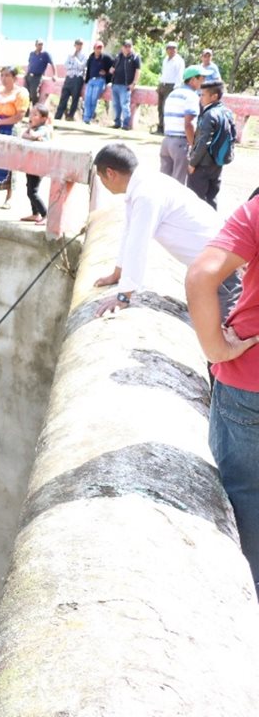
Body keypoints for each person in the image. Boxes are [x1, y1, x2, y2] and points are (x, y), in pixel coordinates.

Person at [185, 200, 259, 594]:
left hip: (250, 382)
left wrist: (216, 350)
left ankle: (246, 600)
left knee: (245, 500)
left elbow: (201, 274)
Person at [90, 143, 238, 319]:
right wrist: (117, 274)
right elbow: (129, 234)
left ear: (110, 173)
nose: (103, 183)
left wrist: (123, 296)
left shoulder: (146, 194)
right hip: (213, 262)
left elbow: (138, 244)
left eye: (101, 177)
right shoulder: (143, 185)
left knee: (227, 330)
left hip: (222, 265)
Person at [187, 80, 237, 209]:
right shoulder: (227, 112)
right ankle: (213, 227)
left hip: (202, 164)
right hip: (217, 163)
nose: (200, 98)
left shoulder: (209, 114)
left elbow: (204, 142)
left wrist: (193, 163)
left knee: (194, 201)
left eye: (203, 95)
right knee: (211, 199)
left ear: (214, 96)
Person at [0, 66, 29, 206]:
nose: (4, 79)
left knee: (9, 162)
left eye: (7, 76)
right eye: (2, 75)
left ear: (14, 78)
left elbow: (19, 116)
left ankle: (9, 197)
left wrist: (0, 121)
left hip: (10, 128)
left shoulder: (21, 93)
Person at [159, 66, 203, 185]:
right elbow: (189, 124)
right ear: (193, 80)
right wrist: (193, 146)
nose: (203, 82)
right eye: (201, 79)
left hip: (167, 141)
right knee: (177, 184)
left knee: (164, 182)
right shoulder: (191, 96)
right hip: (180, 143)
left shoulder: (173, 94)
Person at [19, 104, 53, 225]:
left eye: (35, 115)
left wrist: (31, 131)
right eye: (31, 114)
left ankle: (45, 214)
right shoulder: (35, 128)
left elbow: (32, 136)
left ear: (43, 119)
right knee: (29, 186)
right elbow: (24, 135)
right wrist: (30, 131)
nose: (31, 117)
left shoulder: (44, 129)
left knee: (32, 191)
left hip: (39, 165)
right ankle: (35, 213)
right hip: (31, 163)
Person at [109, 39, 142, 130]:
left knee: (124, 105)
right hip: (115, 84)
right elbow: (112, 67)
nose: (128, 48)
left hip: (126, 85)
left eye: (129, 46)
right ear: (122, 47)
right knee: (116, 105)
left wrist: (133, 83)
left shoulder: (135, 57)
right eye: (126, 46)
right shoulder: (118, 56)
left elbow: (138, 71)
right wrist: (111, 70)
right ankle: (117, 123)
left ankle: (126, 124)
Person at [156, 41, 185, 135]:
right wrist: (160, 84)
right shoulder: (165, 60)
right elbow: (164, 73)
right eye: (169, 48)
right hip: (163, 84)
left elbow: (180, 76)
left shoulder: (179, 61)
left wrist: (176, 88)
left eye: (173, 48)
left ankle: (166, 128)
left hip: (172, 86)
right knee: (160, 107)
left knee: (167, 107)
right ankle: (160, 127)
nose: (171, 50)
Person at [55, 39, 87, 121]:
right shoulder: (70, 55)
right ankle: (58, 116)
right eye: (77, 44)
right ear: (75, 45)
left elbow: (81, 67)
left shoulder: (84, 56)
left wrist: (75, 59)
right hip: (69, 77)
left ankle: (70, 116)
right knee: (63, 97)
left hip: (77, 78)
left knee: (75, 98)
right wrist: (73, 64)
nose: (79, 46)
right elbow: (66, 65)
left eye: (80, 44)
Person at [83, 41, 113, 124]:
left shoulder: (106, 57)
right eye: (98, 48)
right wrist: (86, 80)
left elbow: (114, 65)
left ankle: (88, 118)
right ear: (94, 49)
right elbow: (88, 69)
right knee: (87, 98)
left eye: (101, 48)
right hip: (91, 80)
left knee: (93, 99)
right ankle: (86, 117)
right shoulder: (91, 57)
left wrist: (107, 73)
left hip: (100, 80)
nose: (99, 50)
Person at [24, 39, 56, 105]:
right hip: (29, 75)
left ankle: (35, 108)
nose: (40, 46)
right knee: (26, 93)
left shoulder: (45, 54)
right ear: (36, 45)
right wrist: (26, 72)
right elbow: (30, 63)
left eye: (42, 45)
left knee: (34, 93)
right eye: (39, 44)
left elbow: (52, 64)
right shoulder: (32, 54)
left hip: (37, 76)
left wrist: (55, 74)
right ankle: (26, 111)